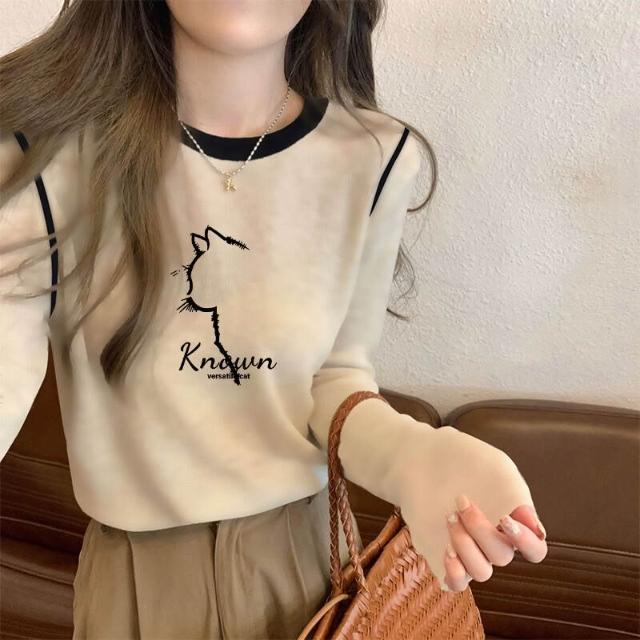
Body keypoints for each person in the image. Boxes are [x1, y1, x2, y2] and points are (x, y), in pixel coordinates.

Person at [0, 0, 548, 638]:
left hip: (309, 577)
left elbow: (334, 377)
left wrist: (413, 457)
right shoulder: (42, 155)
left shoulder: (375, 156)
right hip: (136, 592)